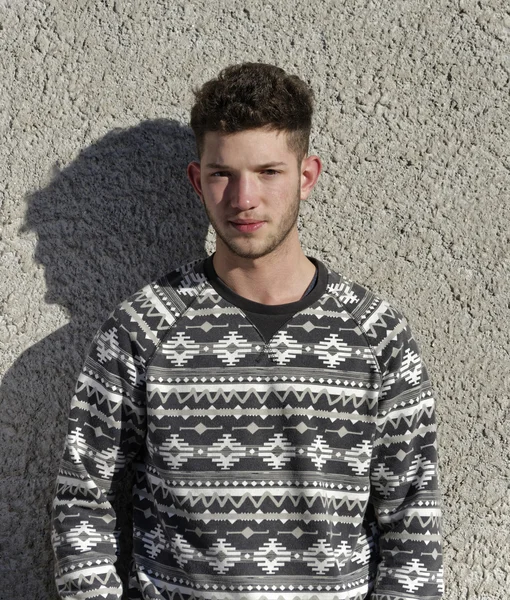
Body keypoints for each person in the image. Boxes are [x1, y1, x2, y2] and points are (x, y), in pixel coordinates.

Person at [52, 63, 443, 600]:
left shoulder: (376, 336)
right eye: (222, 174)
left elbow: (412, 521)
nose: (243, 198)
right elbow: (82, 498)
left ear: (307, 175)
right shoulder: (141, 329)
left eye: (268, 172)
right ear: (197, 180)